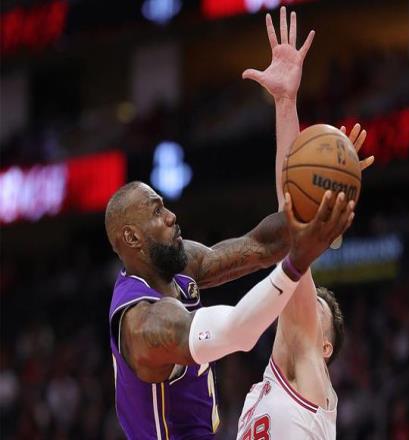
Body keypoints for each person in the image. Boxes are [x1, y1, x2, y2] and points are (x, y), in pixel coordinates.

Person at [106, 107, 354, 440]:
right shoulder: (146, 326)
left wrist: (322, 191)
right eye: (157, 212)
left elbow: (261, 245)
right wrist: (294, 265)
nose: (171, 216)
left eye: (165, 205)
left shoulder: (177, 266)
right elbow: (239, 330)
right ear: (133, 237)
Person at [237, 8, 374, 439]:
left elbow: (289, 211)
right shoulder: (262, 389)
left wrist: (285, 104)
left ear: (325, 347)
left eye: (314, 305)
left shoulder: (310, 367)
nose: (301, 298)